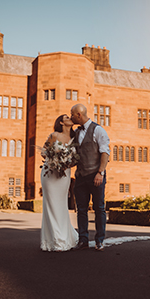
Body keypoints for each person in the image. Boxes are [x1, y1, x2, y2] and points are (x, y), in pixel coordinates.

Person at [70, 104, 110, 251]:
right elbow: (75, 156)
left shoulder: (98, 130)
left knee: (99, 208)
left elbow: (105, 152)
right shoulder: (76, 133)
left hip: (95, 176)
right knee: (81, 209)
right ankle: (83, 240)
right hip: (80, 177)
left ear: (79, 115)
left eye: (72, 115)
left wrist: (100, 172)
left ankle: (99, 240)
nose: (71, 117)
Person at [40, 114, 79, 252]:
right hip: (50, 174)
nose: (70, 118)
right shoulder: (54, 135)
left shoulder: (75, 138)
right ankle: (55, 240)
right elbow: (43, 151)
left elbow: (75, 160)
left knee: (61, 205)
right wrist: (54, 161)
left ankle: (65, 236)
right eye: (67, 117)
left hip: (64, 175)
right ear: (62, 122)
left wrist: (66, 164)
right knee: (51, 205)